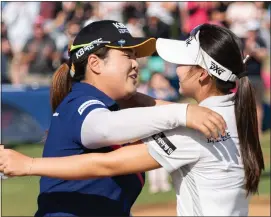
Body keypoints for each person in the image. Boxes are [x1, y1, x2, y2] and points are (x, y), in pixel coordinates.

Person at [0, 21, 226, 217]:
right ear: (95, 64)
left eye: (136, 56)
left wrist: (204, 112)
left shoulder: (115, 108)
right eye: (127, 55)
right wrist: (183, 113)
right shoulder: (79, 103)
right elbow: (103, 129)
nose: (136, 63)